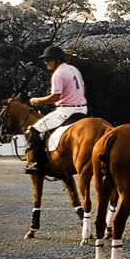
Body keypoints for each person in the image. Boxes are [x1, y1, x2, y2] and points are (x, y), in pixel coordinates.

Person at [24, 46, 88, 175]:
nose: (46, 63)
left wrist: (36, 101)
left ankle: (38, 164)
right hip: (82, 110)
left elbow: (55, 97)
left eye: (48, 60)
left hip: (65, 112)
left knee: (33, 131)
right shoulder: (74, 70)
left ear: (57, 60)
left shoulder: (58, 73)